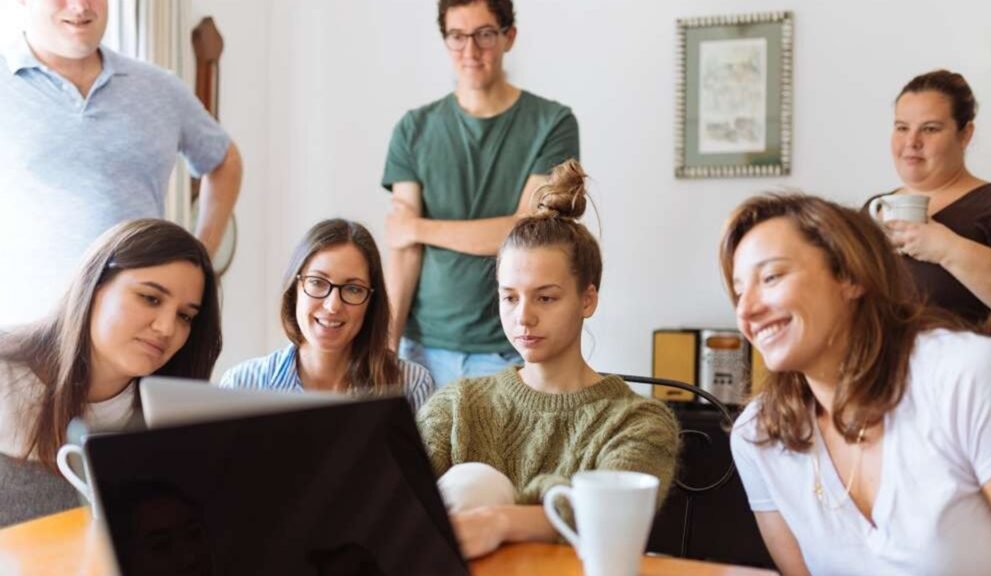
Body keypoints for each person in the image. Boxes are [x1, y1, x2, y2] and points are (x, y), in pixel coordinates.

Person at [722, 194, 991, 575]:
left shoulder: (968, 376)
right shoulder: (758, 435)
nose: (746, 310)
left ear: (850, 276)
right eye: (737, 291)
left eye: (771, 277)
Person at [416, 160, 679, 559]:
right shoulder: (456, 406)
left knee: (477, 484)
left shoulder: (638, 422)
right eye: (510, 297)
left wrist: (499, 520)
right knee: (473, 483)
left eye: (546, 297)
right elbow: (393, 504)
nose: (523, 317)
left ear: (587, 299)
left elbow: (611, 518)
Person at [0, 0, 243, 327]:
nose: (80, 7)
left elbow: (225, 160)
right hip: (23, 336)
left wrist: (200, 258)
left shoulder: (159, 88)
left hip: (143, 334)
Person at [382, 0, 579, 387]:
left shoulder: (552, 123)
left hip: (510, 346)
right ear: (445, 41)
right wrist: (386, 349)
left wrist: (417, 227)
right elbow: (403, 249)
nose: (470, 51)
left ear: (509, 37)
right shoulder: (413, 128)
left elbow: (526, 233)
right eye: (457, 37)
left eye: (484, 35)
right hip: (420, 349)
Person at [0, 219, 222, 527]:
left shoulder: (169, 414)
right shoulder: (6, 372)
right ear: (95, 285)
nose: (167, 328)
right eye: (150, 298)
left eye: (185, 316)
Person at [865, 69, 991, 340]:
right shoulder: (875, 208)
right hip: (886, 378)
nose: (911, 142)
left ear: (965, 135)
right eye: (902, 127)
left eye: (930, 129)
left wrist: (945, 248)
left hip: (970, 379)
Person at [220, 219, 434, 411]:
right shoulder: (241, 385)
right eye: (317, 282)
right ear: (295, 288)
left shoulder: (411, 385)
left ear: (371, 302)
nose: (333, 305)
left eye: (353, 288)